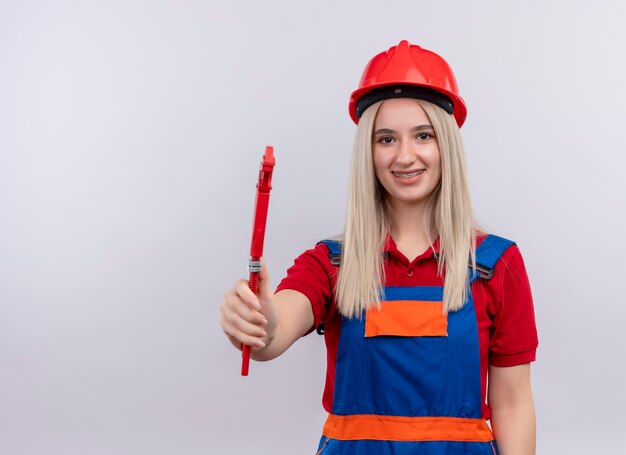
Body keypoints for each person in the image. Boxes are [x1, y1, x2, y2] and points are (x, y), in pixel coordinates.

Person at [220, 40, 538, 455]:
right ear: (367, 153)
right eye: (386, 139)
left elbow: (513, 404)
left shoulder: (496, 265)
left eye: (422, 135)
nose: (404, 156)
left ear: (447, 145)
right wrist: (257, 321)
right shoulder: (333, 262)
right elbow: (275, 330)